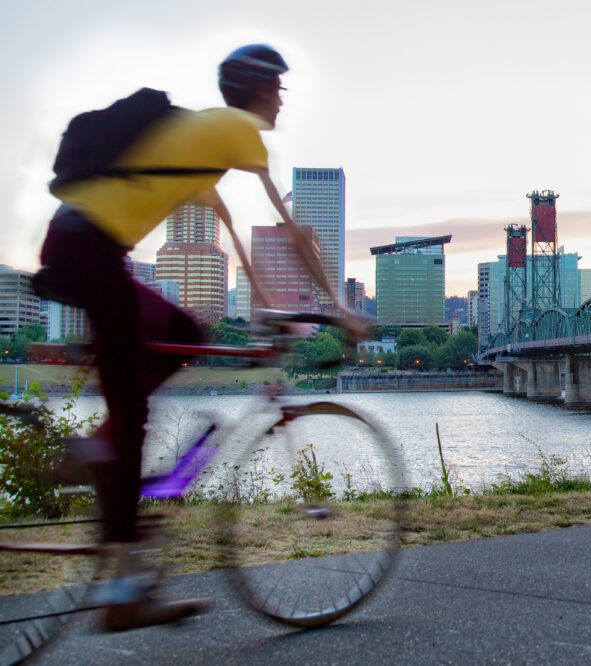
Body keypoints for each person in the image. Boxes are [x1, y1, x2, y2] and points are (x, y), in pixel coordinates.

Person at [39, 44, 361, 630]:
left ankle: (107, 459)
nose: (282, 98)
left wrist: (268, 309)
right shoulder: (236, 129)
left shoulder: (201, 141)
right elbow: (291, 232)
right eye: (279, 87)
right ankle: (124, 582)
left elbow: (235, 235)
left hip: (82, 248)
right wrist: (339, 307)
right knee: (129, 420)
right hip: (90, 252)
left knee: (188, 332)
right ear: (258, 89)